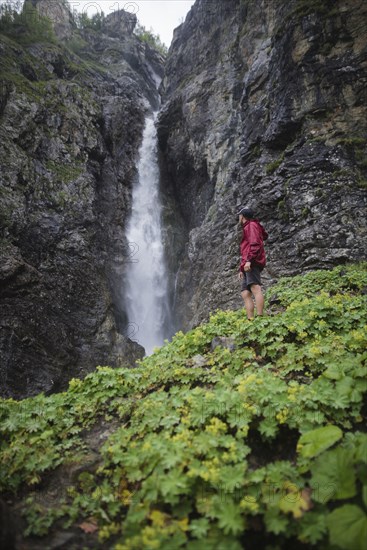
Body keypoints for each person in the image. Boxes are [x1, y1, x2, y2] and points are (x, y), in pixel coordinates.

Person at [237, 207, 268, 320]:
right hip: (247, 263)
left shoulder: (251, 226)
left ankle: (260, 318)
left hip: (252, 262)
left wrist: (249, 261)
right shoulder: (248, 227)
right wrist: (241, 268)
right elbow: (246, 250)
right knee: (245, 293)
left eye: (239, 216)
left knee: (255, 288)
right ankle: (250, 320)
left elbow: (255, 245)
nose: (238, 218)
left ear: (243, 216)